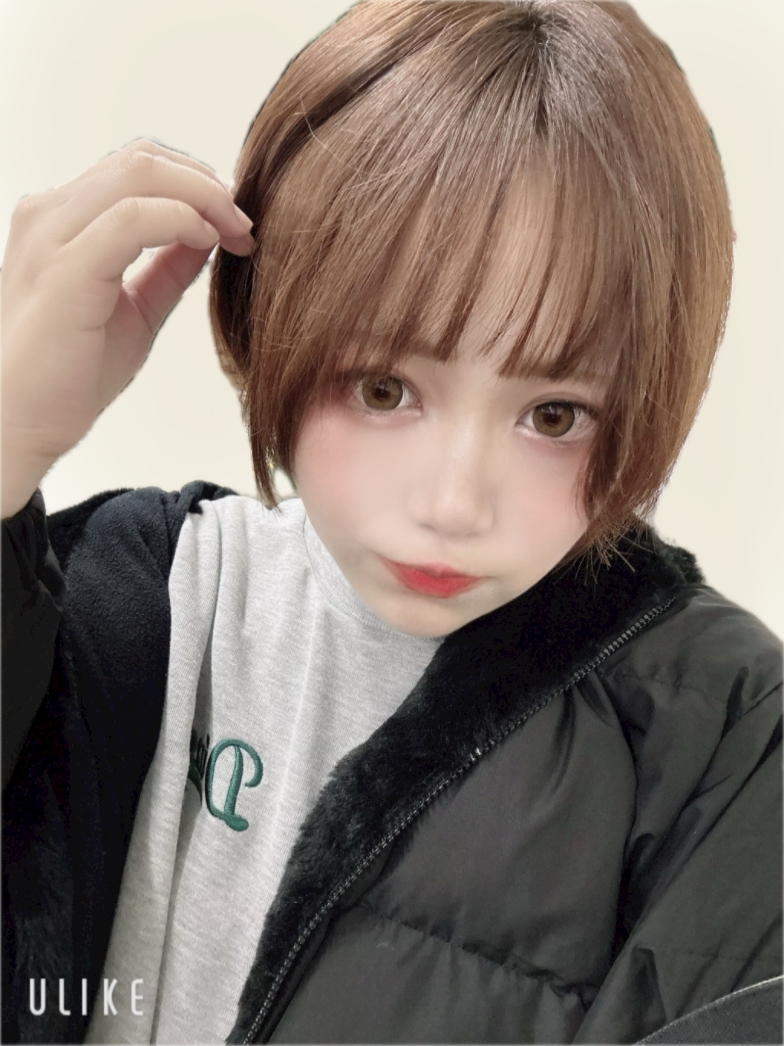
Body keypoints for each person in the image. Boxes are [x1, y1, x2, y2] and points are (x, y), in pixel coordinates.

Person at [2, 1, 781, 1043]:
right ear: (262, 321)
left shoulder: (727, 735)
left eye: (554, 415)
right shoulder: (150, 589)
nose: (452, 503)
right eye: (383, 388)